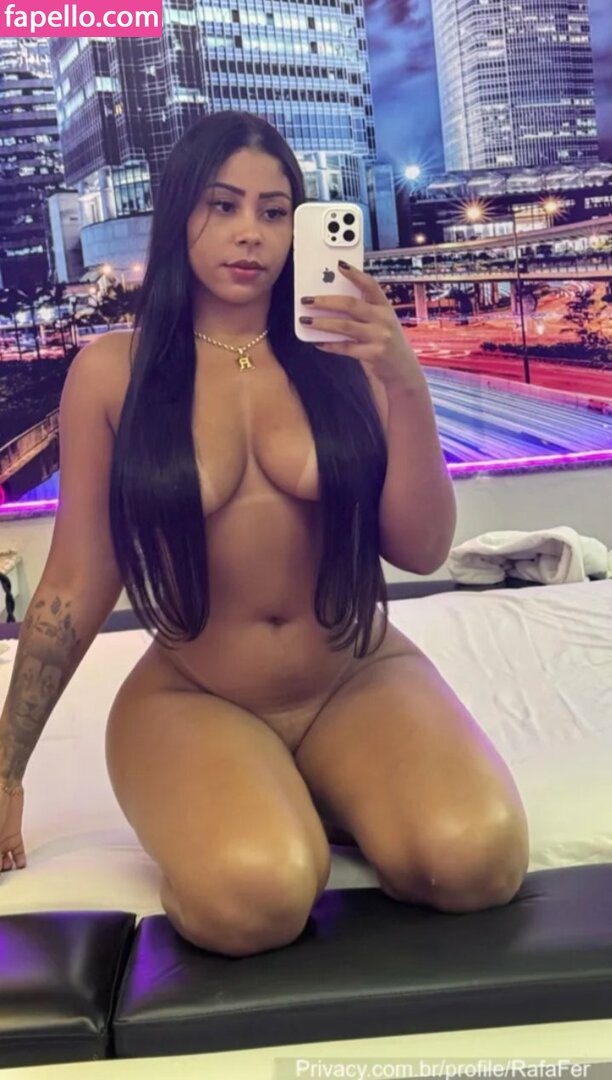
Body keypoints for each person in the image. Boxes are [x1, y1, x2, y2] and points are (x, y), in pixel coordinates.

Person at [0, 111, 529, 956]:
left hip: (354, 676)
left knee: (477, 862)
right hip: (198, 693)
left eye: (275, 211)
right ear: (180, 214)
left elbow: (422, 549)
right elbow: (73, 583)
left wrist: (404, 380)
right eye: (223, 205)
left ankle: (322, 784)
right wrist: (7, 769)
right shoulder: (112, 372)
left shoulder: (343, 355)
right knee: (258, 897)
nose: (250, 232)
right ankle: (265, 794)